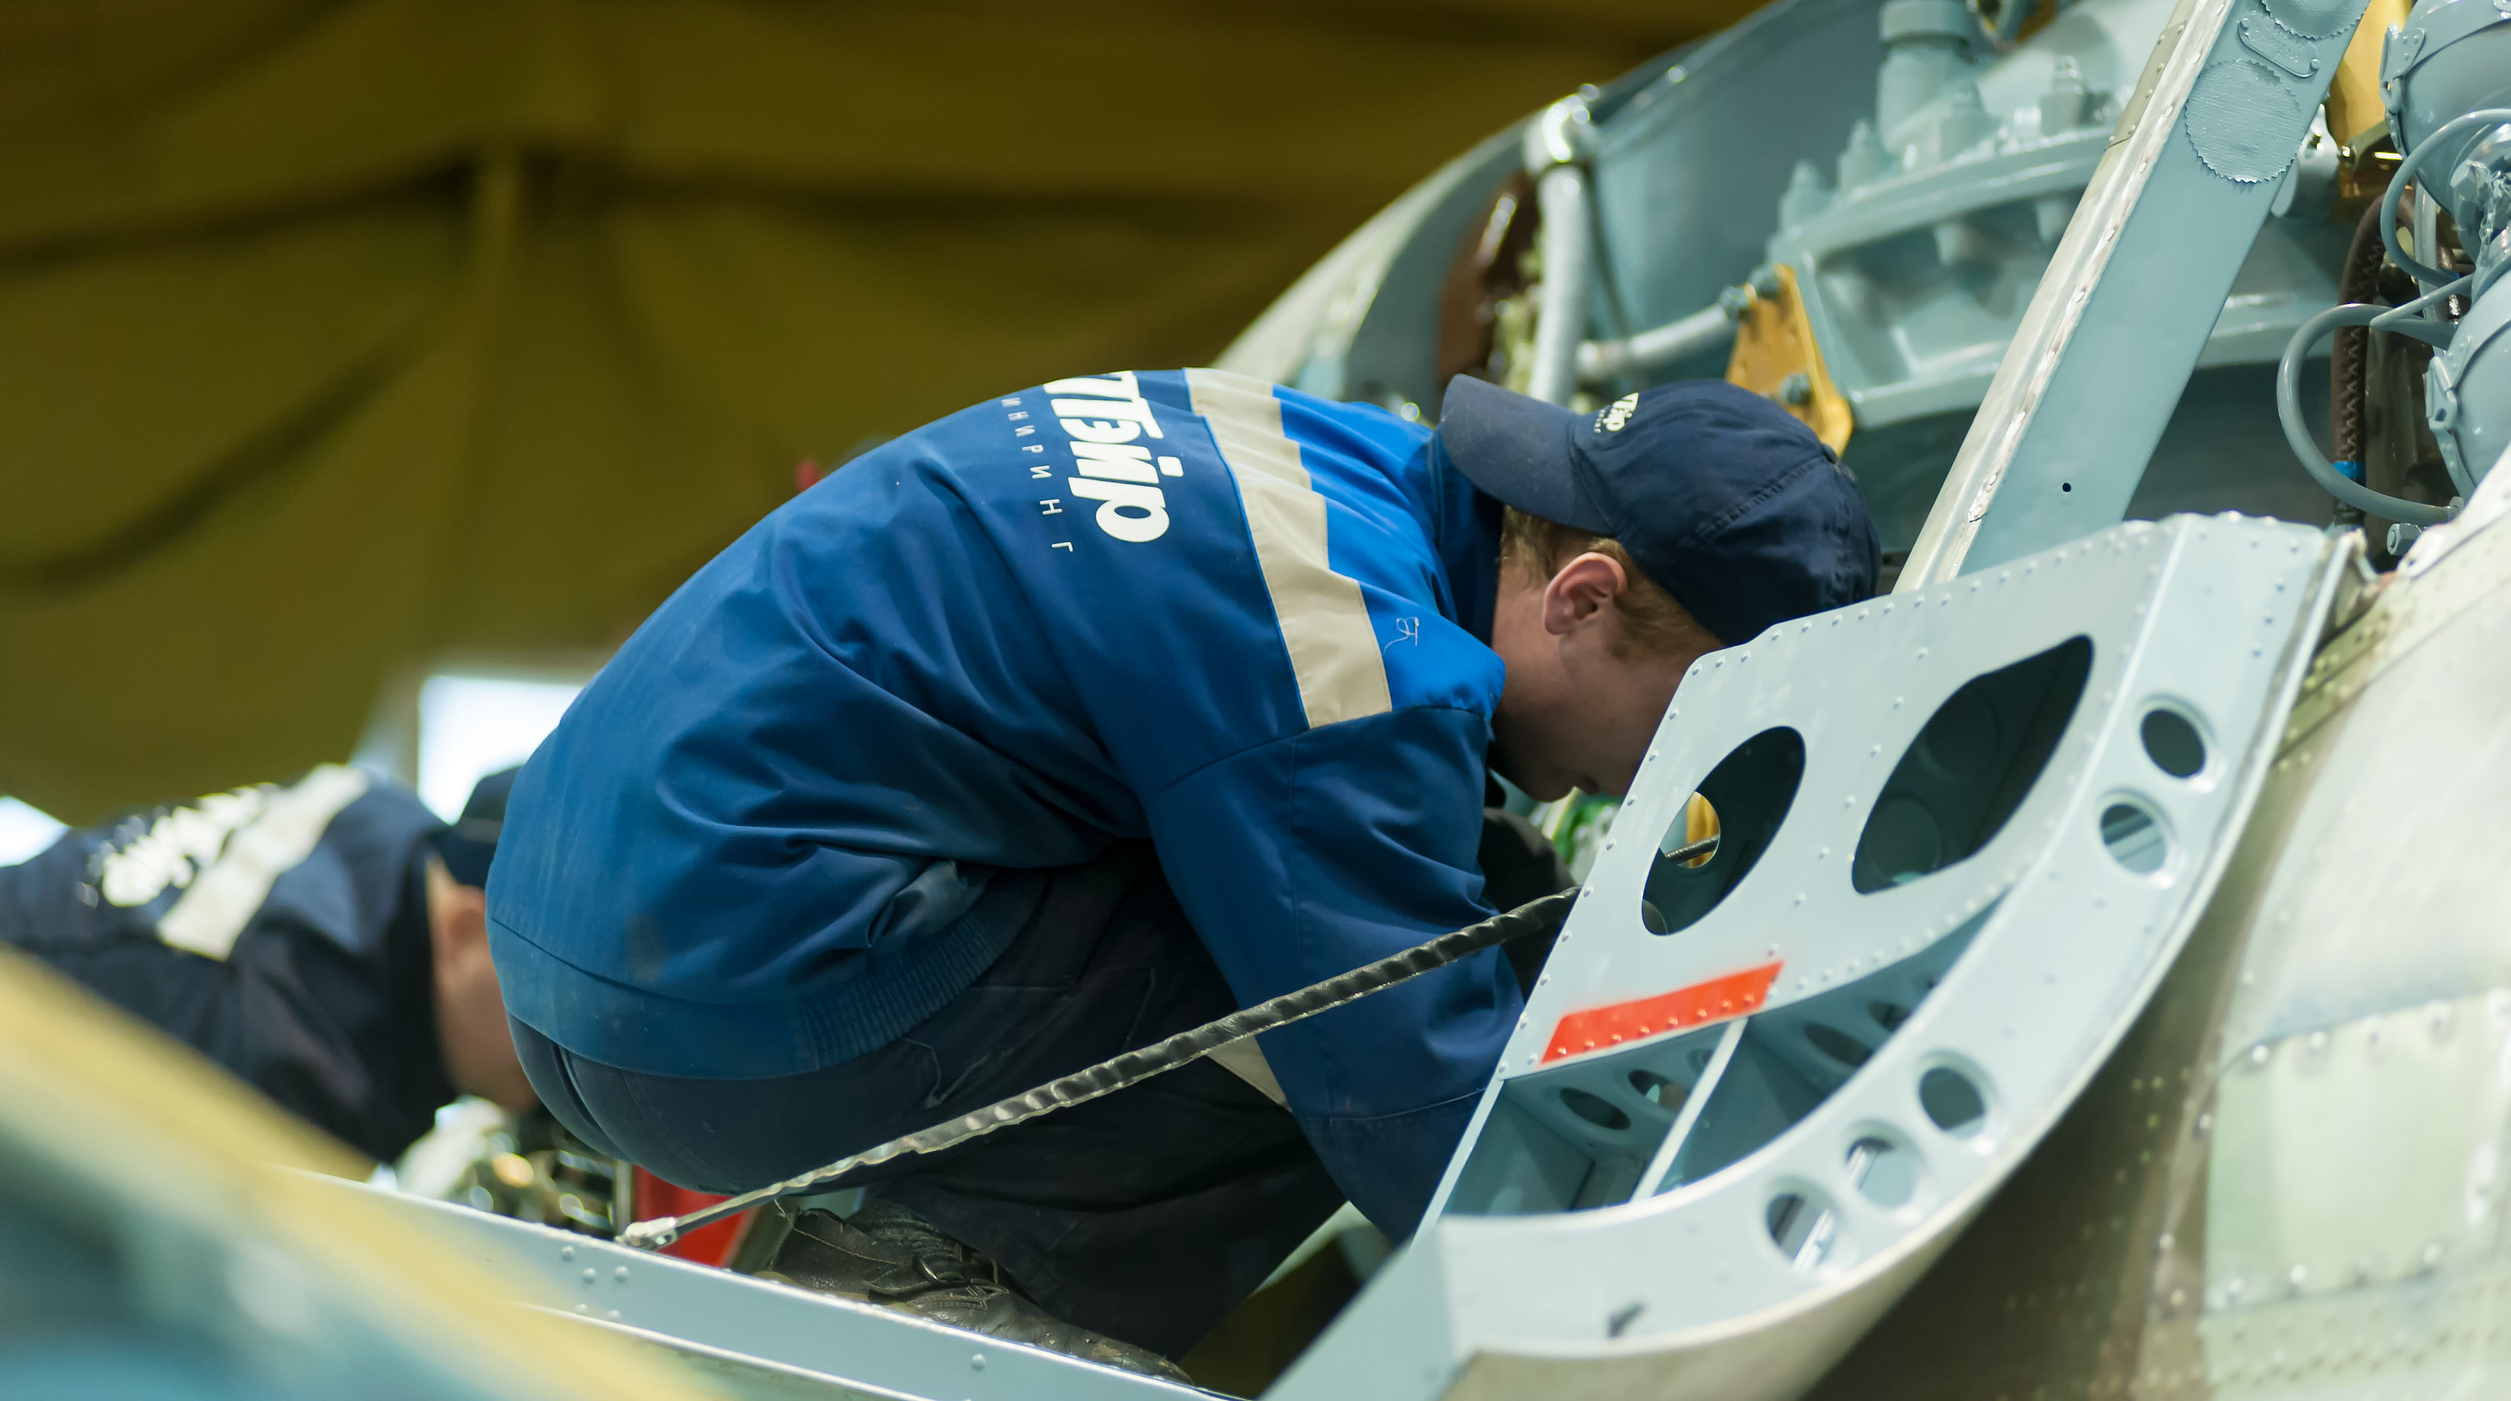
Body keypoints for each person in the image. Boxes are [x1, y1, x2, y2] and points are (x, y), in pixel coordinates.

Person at [490, 369, 1877, 1374]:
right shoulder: (1347, 669)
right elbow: (1427, 1119)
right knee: (1393, 984)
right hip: (712, 1009)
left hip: (580, 940)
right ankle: (922, 1280)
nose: (1655, 780)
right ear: (1579, 593)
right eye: (1685, 721)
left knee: (1394, 885)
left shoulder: (1326, 455)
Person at [0, 765, 536, 1163]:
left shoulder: (378, 808)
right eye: (555, 995)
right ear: (465, 931)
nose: (582, 1042)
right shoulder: (293, 1055)